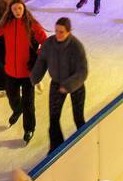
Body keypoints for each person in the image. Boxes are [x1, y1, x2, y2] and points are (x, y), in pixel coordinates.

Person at [0, 0, 47, 144]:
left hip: (28, 73)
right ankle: (17, 109)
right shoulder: (6, 24)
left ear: (24, 9)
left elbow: (45, 42)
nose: (17, 11)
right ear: (11, 10)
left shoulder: (31, 24)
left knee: (29, 104)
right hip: (10, 72)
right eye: (14, 9)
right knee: (12, 98)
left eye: (20, 9)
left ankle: (29, 129)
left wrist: (37, 56)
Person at [31, 16, 89, 153]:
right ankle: (56, 148)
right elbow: (42, 61)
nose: (58, 34)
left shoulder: (76, 46)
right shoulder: (49, 44)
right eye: (56, 31)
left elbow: (83, 71)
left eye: (61, 31)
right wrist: (34, 78)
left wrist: (68, 85)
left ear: (68, 32)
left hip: (76, 85)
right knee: (53, 119)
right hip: (57, 83)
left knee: (78, 117)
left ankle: (86, 144)